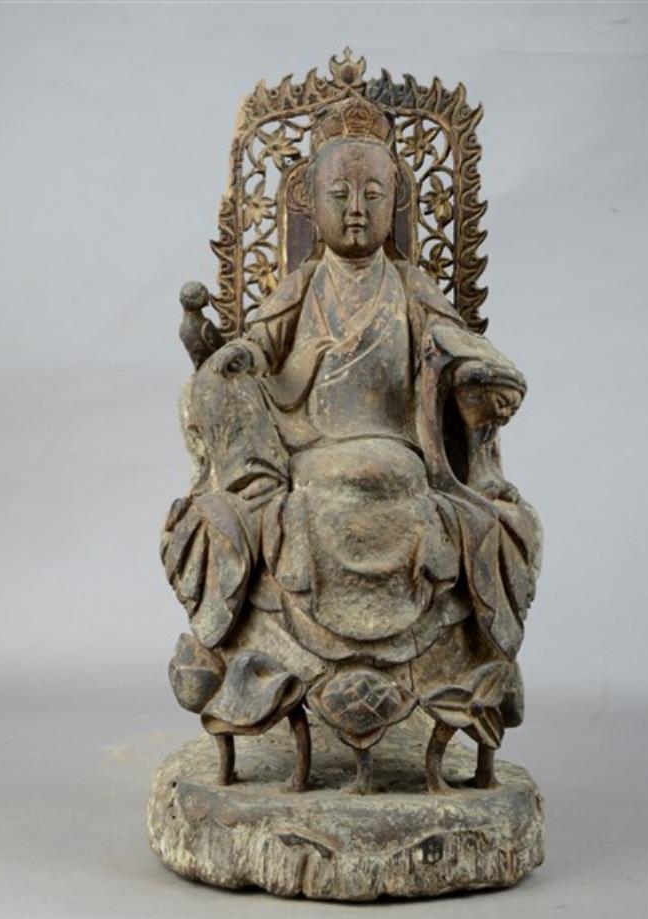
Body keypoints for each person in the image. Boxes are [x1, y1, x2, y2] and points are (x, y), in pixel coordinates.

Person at [162, 96, 542, 786]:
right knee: (225, 408)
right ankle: (269, 638)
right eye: (340, 194)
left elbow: (464, 351)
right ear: (312, 204)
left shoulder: (411, 288)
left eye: (373, 193)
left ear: (395, 202)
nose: (357, 209)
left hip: (399, 458)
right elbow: (252, 352)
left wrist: (476, 378)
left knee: (440, 504)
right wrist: (224, 356)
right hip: (308, 460)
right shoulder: (302, 286)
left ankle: (428, 678)